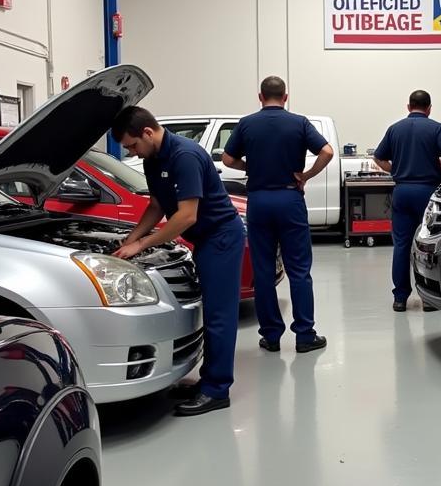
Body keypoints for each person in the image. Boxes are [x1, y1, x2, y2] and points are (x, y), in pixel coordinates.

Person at [111, 107, 245, 416]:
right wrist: (132, 239)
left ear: (147, 133)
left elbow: (187, 215)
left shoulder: (185, 156)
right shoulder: (151, 159)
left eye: (132, 145)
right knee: (209, 312)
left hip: (221, 238)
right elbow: (157, 206)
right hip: (205, 240)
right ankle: (208, 379)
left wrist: (144, 244)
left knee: (219, 316)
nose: (132, 152)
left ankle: (217, 390)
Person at [222, 76, 333, 354]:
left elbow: (227, 159)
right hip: (290, 198)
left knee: (262, 270)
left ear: (260, 97)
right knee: (299, 270)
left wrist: (251, 165)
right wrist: (305, 176)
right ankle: (305, 335)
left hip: (259, 200)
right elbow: (327, 151)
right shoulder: (299, 122)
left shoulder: (247, 124)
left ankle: (271, 336)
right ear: (286, 97)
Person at [373, 90, 441, 312]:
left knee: (401, 245)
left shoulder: (395, 129)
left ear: (408, 106)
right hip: (427, 193)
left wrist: (395, 171)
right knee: (426, 246)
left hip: (402, 192)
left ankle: (400, 298)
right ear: (429, 108)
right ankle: (428, 298)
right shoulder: (436, 128)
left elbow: (378, 157)